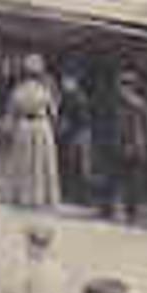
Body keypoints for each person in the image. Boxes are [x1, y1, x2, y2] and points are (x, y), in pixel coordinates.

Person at [5, 54, 61, 208]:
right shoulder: (46, 90)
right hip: (41, 125)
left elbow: (11, 112)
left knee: (24, 162)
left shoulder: (18, 89)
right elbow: (54, 112)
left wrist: (9, 128)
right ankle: (41, 197)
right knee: (41, 162)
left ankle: (23, 195)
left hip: (24, 126)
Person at [104, 70, 147, 224]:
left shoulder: (138, 105)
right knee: (117, 180)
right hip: (123, 147)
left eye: (124, 85)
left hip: (132, 148)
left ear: (131, 87)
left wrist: (143, 142)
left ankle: (130, 213)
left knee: (130, 182)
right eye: (121, 85)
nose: (121, 88)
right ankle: (115, 210)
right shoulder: (118, 103)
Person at [9, 224, 71, 293]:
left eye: (29, 244)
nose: (27, 248)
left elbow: (14, 292)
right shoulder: (57, 264)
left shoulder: (32, 267)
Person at [56, 72, 95, 207]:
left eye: (67, 81)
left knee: (82, 167)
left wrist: (66, 126)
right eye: (63, 81)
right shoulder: (67, 97)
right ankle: (71, 195)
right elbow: (62, 115)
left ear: (74, 82)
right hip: (72, 135)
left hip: (80, 135)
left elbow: (83, 120)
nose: (64, 84)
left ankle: (85, 198)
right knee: (70, 165)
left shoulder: (79, 98)